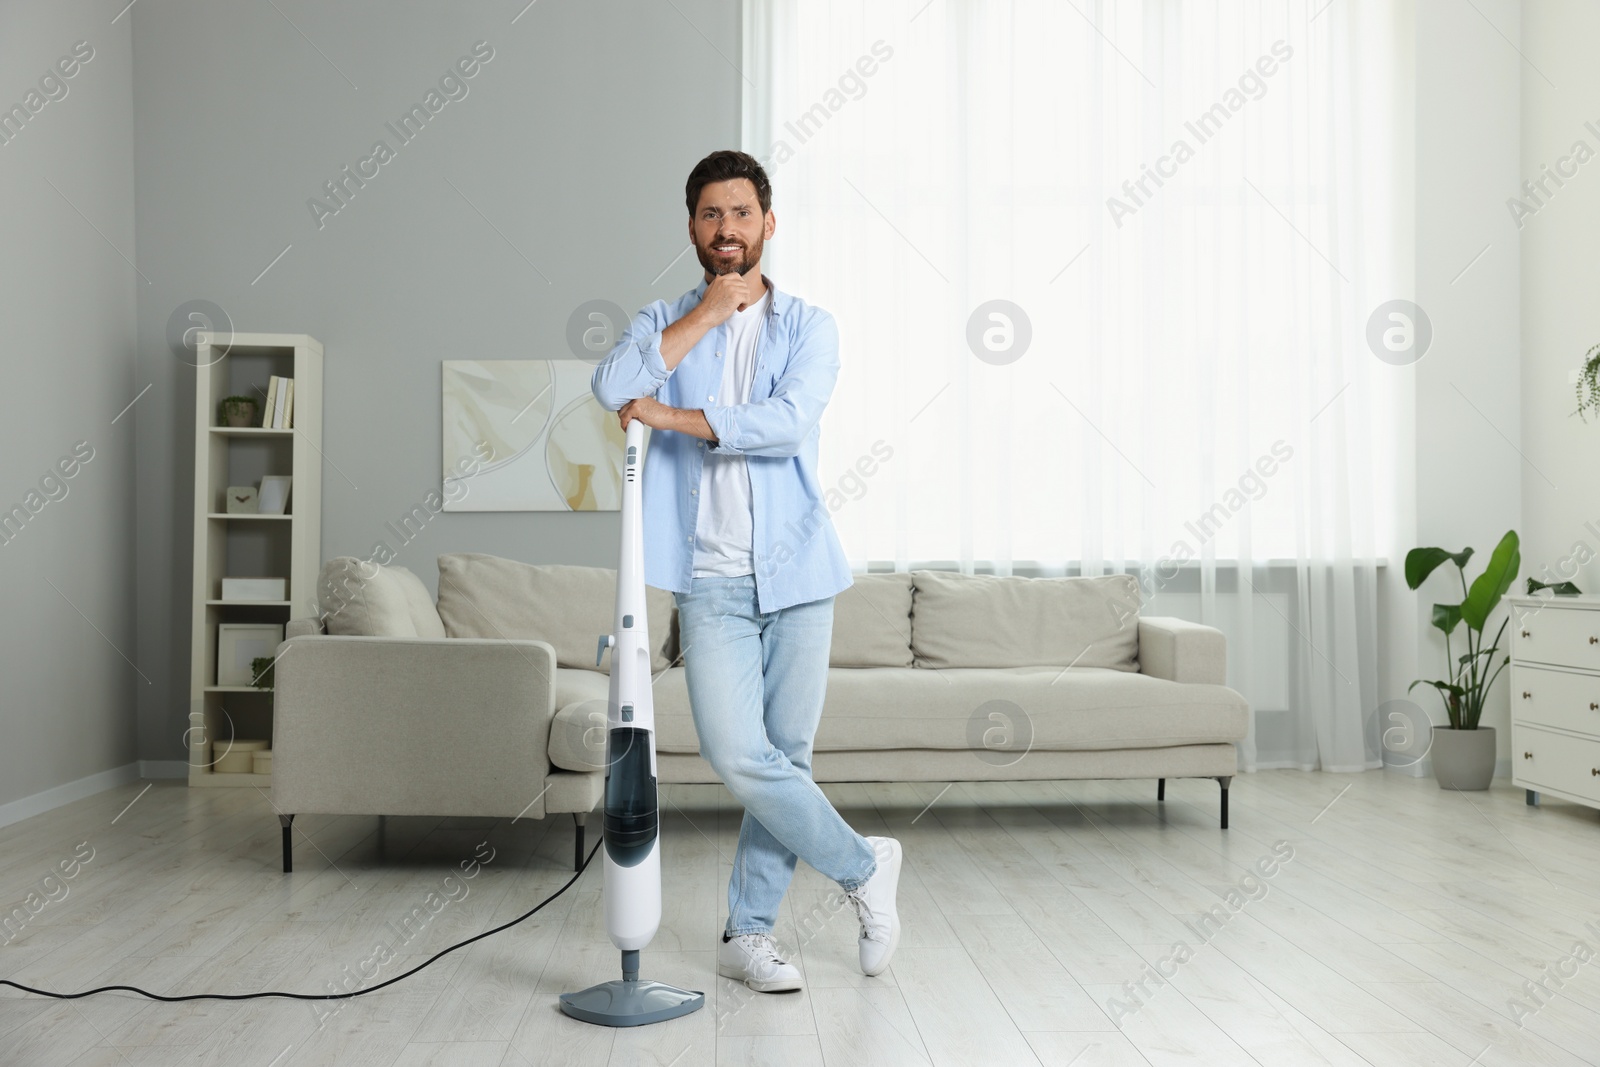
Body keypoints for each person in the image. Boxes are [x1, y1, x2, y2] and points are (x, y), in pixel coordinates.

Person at [590, 149, 902, 992]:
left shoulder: (810, 326)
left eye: (740, 213)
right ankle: (865, 864)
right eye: (709, 215)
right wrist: (704, 318)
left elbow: (787, 424)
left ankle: (748, 934)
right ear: (691, 227)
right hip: (712, 584)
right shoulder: (663, 320)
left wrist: (669, 415)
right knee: (740, 755)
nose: (726, 230)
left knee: (785, 760)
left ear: (769, 221)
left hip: (800, 576)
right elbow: (611, 383)